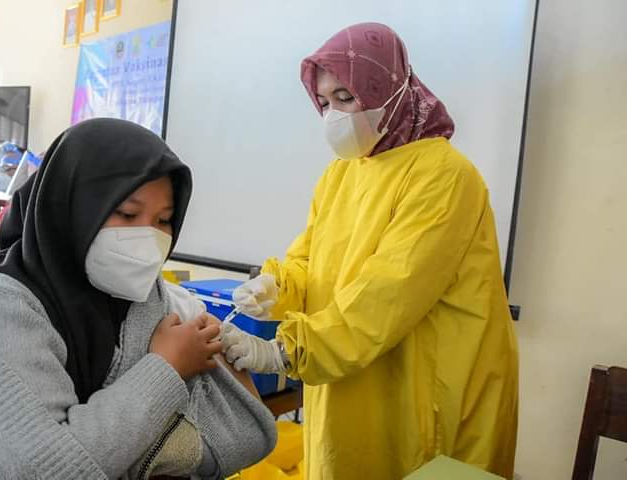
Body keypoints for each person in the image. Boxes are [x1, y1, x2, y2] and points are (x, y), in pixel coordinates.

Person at [221, 23, 518, 479]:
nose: (334, 116)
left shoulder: (445, 175)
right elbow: (309, 260)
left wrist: (283, 352)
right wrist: (276, 285)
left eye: (346, 97)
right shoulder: (341, 174)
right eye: (324, 103)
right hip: (350, 372)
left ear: (388, 88)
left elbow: (389, 292)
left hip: (429, 390)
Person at [0, 118, 276, 479]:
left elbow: (249, 436)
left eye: (163, 220)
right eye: (127, 214)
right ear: (71, 206)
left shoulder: (144, 298)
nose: (148, 239)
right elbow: (42, 471)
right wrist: (166, 368)